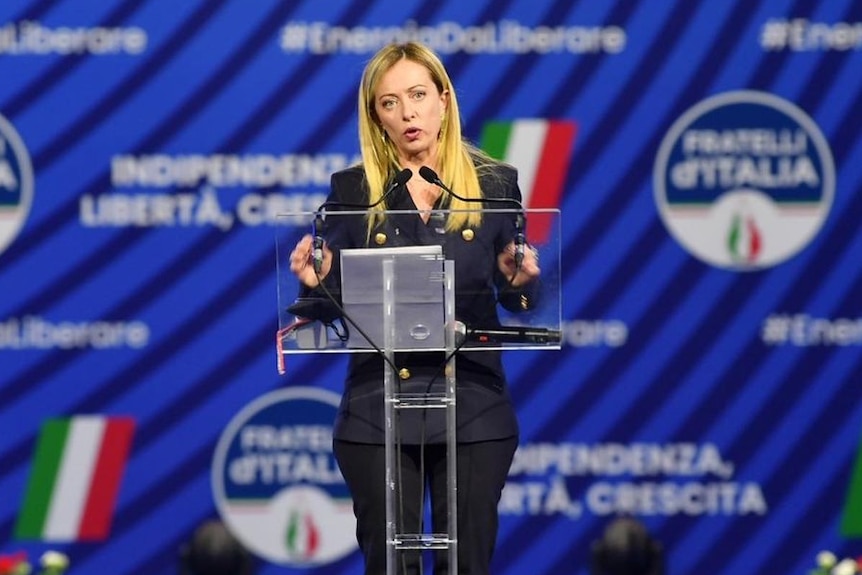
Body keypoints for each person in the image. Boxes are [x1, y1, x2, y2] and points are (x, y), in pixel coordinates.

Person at [288, 41, 540, 575]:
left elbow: (517, 298)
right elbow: (328, 307)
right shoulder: (354, 190)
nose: (407, 114)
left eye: (419, 95)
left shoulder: (495, 185)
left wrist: (520, 280)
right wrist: (318, 281)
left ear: (444, 99)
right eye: (389, 103)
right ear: (375, 117)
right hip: (378, 407)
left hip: (471, 401)